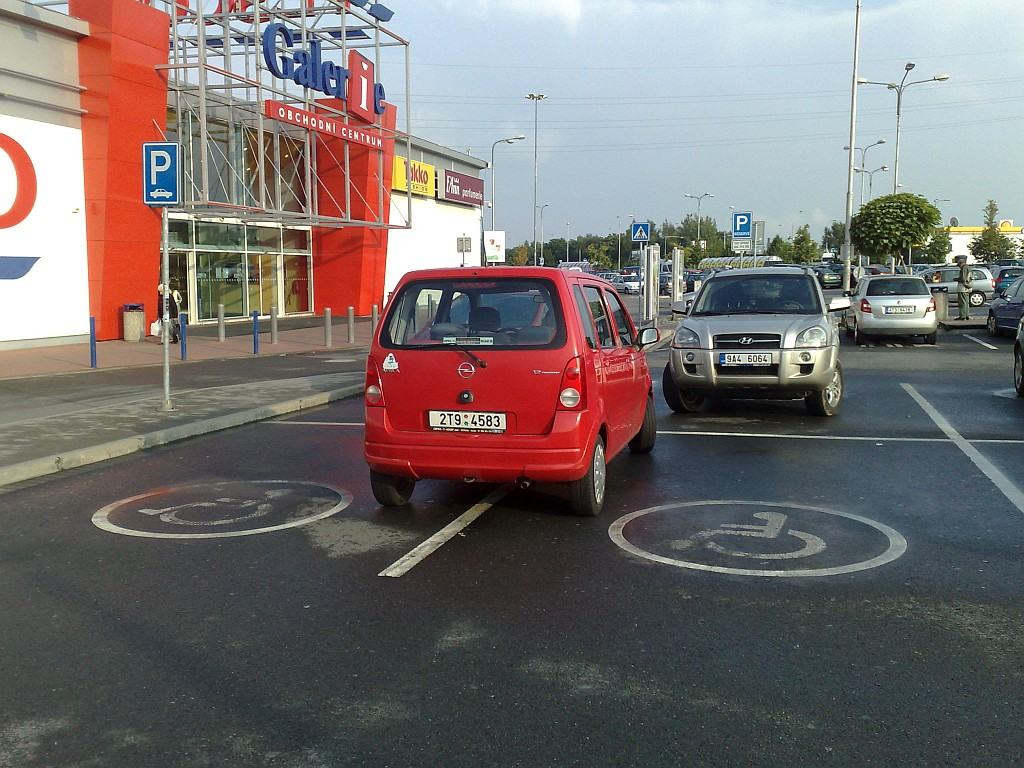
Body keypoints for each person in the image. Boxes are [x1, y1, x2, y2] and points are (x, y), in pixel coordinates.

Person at [955, 256, 971, 321]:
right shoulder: (969, 268)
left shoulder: (964, 268)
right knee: (966, 302)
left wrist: (957, 279)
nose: (959, 267)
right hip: (968, 287)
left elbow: (963, 278)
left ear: (961, 264)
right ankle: (967, 315)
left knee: (962, 302)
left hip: (963, 287)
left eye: (959, 265)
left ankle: (962, 316)